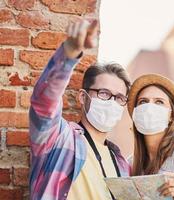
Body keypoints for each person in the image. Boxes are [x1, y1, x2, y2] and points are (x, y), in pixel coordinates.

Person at [29, 18, 131, 200]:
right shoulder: (59, 138)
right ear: (83, 97)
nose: (112, 102)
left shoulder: (122, 164)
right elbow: (44, 102)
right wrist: (69, 53)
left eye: (119, 98)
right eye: (104, 93)